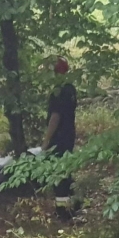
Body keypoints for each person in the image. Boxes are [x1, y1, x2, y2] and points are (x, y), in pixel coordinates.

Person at [41, 55, 79, 221]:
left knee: (58, 173)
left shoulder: (58, 92)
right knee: (66, 170)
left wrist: (46, 141)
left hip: (58, 138)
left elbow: (55, 117)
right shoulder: (71, 89)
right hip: (70, 135)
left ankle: (62, 211)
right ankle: (72, 205)